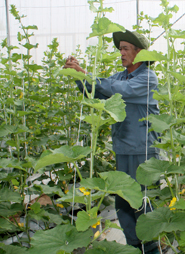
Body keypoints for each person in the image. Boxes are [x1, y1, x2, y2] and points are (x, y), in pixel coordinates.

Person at [64, 30, 161, 254]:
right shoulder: (119, 76)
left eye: (126, 48)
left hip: (142, 150)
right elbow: (95, 90)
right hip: (123, 148)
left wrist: (86, 74)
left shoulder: (147, 77)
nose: (121, 53)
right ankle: (134, 247)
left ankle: (152, 249)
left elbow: (119, 90)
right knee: (123, 203)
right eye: (120, 48)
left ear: (140, 53)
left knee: (142, 203)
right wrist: (78, 75)